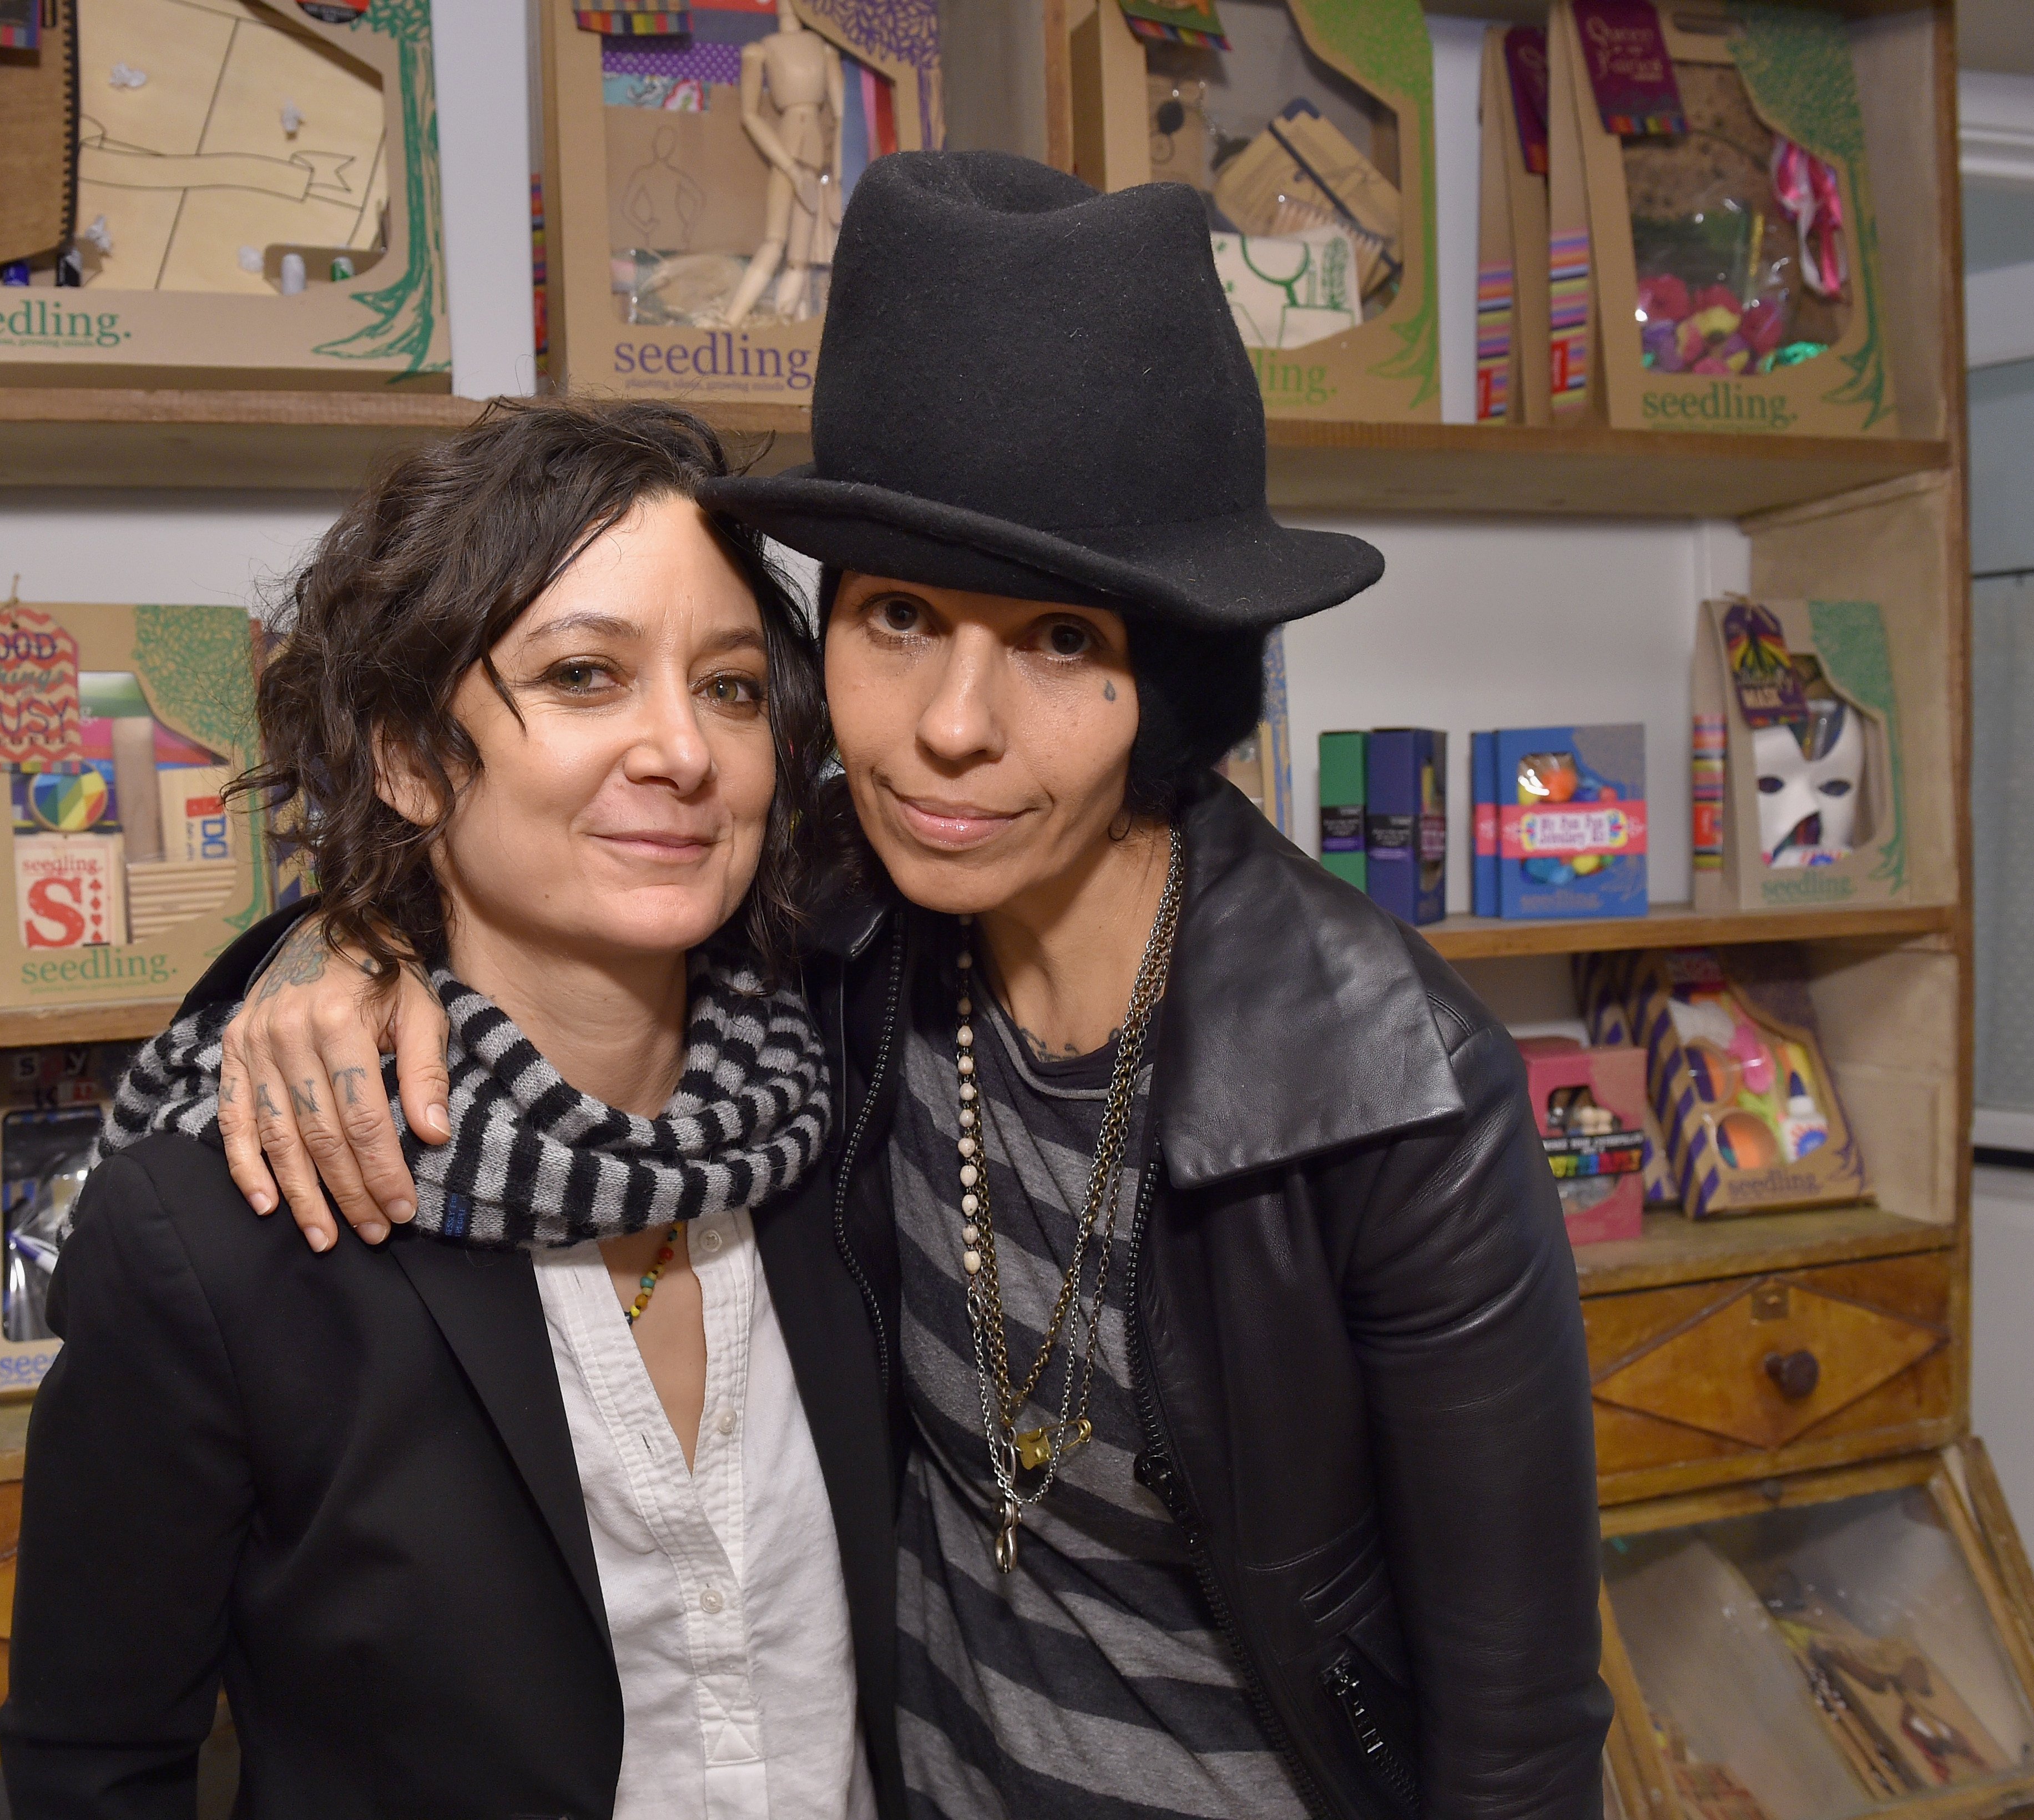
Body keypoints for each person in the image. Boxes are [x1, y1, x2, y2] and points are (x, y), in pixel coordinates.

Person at [215, 155, 1612, 1818]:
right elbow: (529, 866)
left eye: (1060, 643)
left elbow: (1521, 1734)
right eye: (896, 618)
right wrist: (334, 946)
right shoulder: (836, 917)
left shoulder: (1390, 1094)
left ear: (1170, 674)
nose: (951, 725)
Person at [0, 400, 906, 1819]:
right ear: (413, 757)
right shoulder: (225, 1231)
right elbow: (92, 1762)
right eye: (588, 674)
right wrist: (331, 935)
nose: (682, 749)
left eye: (729, 688)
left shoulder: (847, 1116)